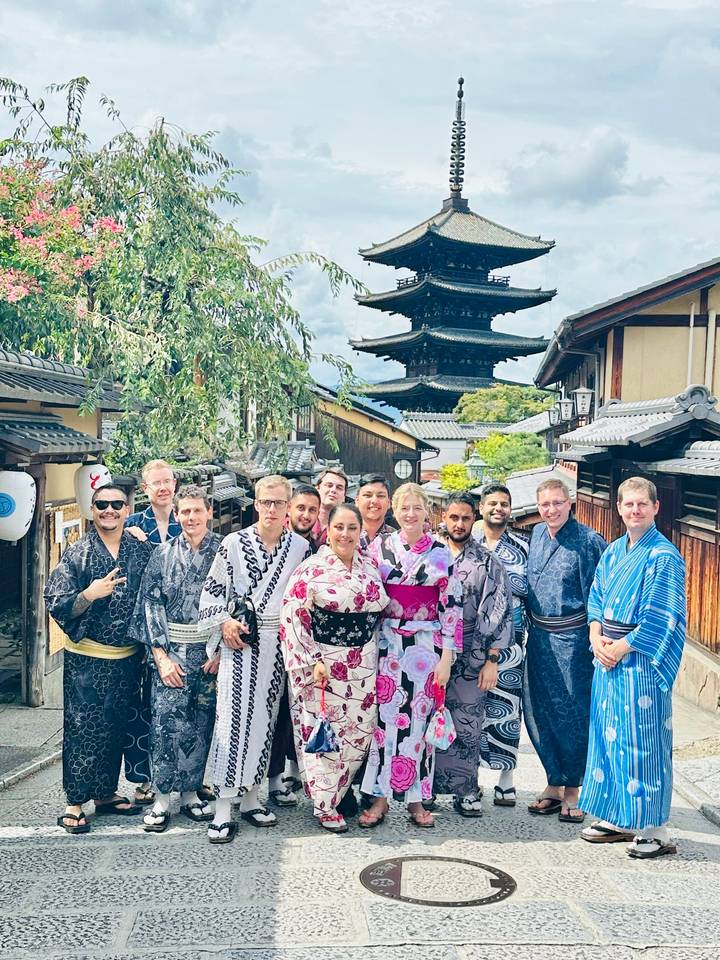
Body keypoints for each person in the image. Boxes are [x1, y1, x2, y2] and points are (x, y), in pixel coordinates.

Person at [197, 475, 310, 843]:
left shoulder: (301, 549)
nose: (272, 509)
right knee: (233, 723)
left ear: (289, 506)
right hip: (241, 642)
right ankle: (224, 808)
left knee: (265, 722)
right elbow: (212, 593)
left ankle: (250, 798)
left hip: (279, 645)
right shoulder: (232, 544)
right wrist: (225, 621)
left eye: (279, 502)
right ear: (256, 504)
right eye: (266, 502)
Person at [580, 477, 686, 858]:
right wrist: (596, 637)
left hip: (640, 661)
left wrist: (623, 646)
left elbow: (664, 615)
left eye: (642, 504)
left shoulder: (664, 556)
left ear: (656, 507)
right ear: (619, 508)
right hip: (606, 655)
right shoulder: (612, 551)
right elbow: (596, 598)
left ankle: (654, 829)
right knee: (609, 739)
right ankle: (618, 817)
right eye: (628, 504)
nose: (635, 510)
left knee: (643, 743)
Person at [44, 483, 153, 833]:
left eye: (116, 505)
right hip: (87, 661)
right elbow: (56, 599)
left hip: (128, 658)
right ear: (93, 510)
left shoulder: (140, 549)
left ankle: (105, 793)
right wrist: (88, 595)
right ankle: (74, 801)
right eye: (102, 504)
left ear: (127, 509)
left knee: (115, 728)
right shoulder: (79, 552)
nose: (109, 510)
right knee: (83, 729)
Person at [280, 503, 389, 832]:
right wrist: (311, 659)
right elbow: (294, 616)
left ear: (359, 531)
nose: (345, 534)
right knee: (325, 732)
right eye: (339, 527)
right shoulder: (311, 569)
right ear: (328, 530)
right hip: (323, 663)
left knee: (359, 731)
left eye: (352, 528)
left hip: (362, 661)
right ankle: (325, 804)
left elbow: (379, 611)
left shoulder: (369, 566)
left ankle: (343, 792)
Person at [360, 482, 463, 829]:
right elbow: (370, 594)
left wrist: (447, 656)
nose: (410, 514)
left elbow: (452, 607)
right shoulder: (380, 547)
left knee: (419, 721)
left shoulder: (440, 552)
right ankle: (380, 797)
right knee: (386, 720)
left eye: (417, 508)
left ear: (427, 513)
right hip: (388, 642)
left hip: (426, 644)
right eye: (404, 507)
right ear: (396, 511)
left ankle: (418, 798)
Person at [130, 485, 223, 833]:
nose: (191, 518)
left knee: (202, 723)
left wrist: (218, 650)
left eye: (198, 511)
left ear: (209, 513)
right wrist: (161, 657)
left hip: (210, 651)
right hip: (171, 649)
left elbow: (233, 601)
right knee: (165, 724)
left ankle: (190, 792)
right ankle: (161, 797)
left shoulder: (222, 552)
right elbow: (150, 605)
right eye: (185, 512)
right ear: (177, 514)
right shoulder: (162, 554)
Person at [525, 478, 606, 822]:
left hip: (573, 640)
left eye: (557, 503)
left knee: (573, 712)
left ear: (570, 503)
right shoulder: (537, 535)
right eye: (545, 504)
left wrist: (595, 635)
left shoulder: (588, 542)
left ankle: (574, 788)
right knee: (540, 710)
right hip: (539, 638)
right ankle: (553, 782)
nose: (551, 510)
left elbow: (599, 595)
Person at [434, 493, 513, 816]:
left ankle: (466, 790)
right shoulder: (429, 554)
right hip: (430, 653)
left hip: (473, 654)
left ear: (473, 519)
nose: (459, 524)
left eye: (466, 518)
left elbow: (500, 610)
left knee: (467, 725)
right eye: (454, 517)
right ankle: (426, 789)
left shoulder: (487, 561)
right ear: (444, 517)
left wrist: (492, 660)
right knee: (429, 721)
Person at [473, 482, 529, 807]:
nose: (498, 508)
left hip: (512, 641)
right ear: (481, 508)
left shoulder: (524, 547)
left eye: (504, 504)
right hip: (473, 643)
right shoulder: (468, 544)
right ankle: (472, 778)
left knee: (507, 709)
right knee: (472, 709)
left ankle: (506, 778)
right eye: (492, 503)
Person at [271, 482, 321, 803]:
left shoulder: (314, 549)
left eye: (312, 510)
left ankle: (299, 772)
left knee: (300, 711)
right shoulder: (273, 541)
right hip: (271, 639)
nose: (305, 514)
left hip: (306, 641)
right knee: (274, 714)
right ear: (289, 508)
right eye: (300, 507)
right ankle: (273, 780)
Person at [126, 459, 181, 545]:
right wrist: (124, 535)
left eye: (167, 481)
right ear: (145, 488)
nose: (163, 488)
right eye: (156, 483)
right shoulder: (132, 523)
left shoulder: (187, 520)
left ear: (174, 484)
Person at [310, 468, 348, 547]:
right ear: (317, 488)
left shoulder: (347, 528)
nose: (333, 490)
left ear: (344, 496)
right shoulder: (303, 518)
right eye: (329, 485)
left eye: (339, 488)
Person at [355, 473, 394, 550]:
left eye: (380, 496)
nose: (374, 501)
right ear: (357, 501)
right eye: (368, 495)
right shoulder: (346, 535)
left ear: (389, 502)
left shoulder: (397, 539)